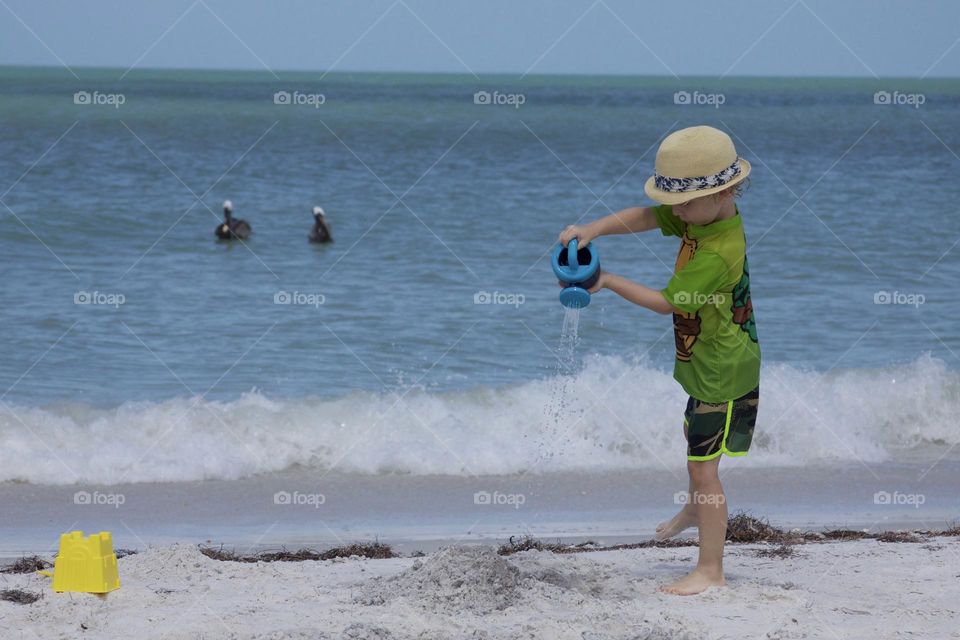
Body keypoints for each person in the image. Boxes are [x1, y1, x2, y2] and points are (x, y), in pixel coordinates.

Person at [558, 125, 760, 595]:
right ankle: (694, 508)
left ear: (725, 192)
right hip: (706, 362)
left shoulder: (719, 250)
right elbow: (647, 218)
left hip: (724, 372)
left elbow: (667, 302)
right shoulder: (702, 215)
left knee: (704, 468)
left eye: (683, 203)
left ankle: (710, 569)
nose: (676, 212)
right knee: (694, 442)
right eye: (675, 203)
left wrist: (606, 281)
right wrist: (594, 228)